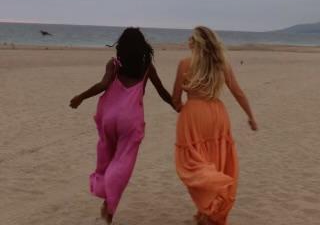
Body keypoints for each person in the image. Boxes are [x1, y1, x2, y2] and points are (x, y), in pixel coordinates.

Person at [70, 27, 175, 223]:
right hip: (131, 119)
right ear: (142, 47)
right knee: (123, 160)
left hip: (109, 117)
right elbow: (161, 91)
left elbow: (102, 85)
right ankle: (109, 204)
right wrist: (176, 105)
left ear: (122, 46)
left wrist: (81, 97)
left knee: (106, 153)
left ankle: (103, 188)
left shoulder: (114, 64)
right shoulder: (146, 67)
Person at [172, 26, 258, 225]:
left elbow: (176, 98)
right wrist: (251, 117)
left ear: (196, 43)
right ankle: (206, 213)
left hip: (193, 116)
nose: (188, 42)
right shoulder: (221, 64)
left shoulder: (185, 64)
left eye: (190, 39)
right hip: (217, 115)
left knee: (191, 162)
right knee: (216, 158)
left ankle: (217, 188)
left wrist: (181, 107)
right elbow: (238, 92)